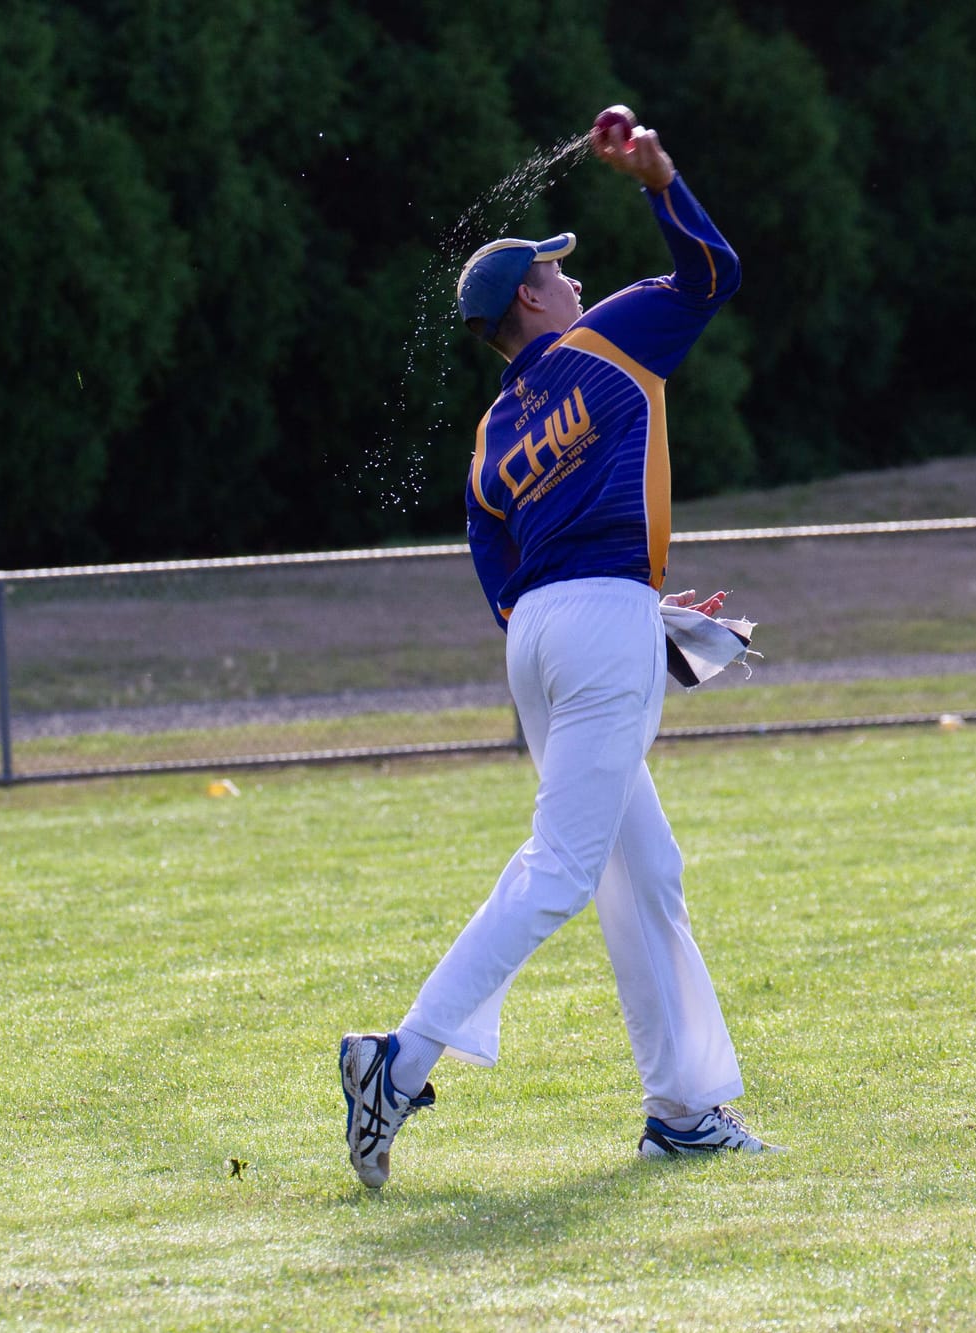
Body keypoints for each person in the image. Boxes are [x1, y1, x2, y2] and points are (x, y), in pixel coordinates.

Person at [339, 108, 778, 1189]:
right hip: (594, 621)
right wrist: (659, 180)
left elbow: (507, 580)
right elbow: (714, 274)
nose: (573, 278)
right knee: (562, 869)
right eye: (555, 270)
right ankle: (399, 1059)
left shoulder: (492, 433)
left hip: (537, 637)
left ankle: (682, 1109)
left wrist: (628, 620)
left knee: (646, 872)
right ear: (531, 302)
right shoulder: (608, 338)